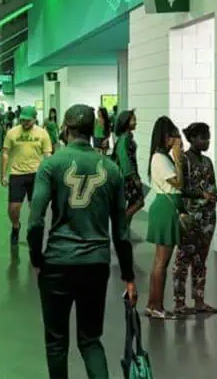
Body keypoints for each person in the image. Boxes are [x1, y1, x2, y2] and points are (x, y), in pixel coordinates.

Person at [28, 105, 137, 379]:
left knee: (56, 342)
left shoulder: (51, 165)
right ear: (92, 132)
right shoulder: (111, 169)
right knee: (90, 340)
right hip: (95, 264)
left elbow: (35, 221)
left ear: (65, 129)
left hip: (57, 263)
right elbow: (121, 231)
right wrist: (128, 275)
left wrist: (36, 258)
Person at [172, 122, 217, 315]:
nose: (207, 141)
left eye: (208, 137)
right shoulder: (183, 161)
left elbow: (212, 185)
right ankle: (179, 302)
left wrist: (214, 195)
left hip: (208, 217)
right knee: (183, 258)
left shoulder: (207, 162)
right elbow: (180, 188)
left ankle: (199, 300)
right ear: (192, 138)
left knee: (201, 259)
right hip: (190, 216)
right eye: (203, 138)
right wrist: (202, 195)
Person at [144, 116, 185, 319]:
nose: (177, 141)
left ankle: (153, 304)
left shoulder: (161, 156)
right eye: (174, 137)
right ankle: (156, 306)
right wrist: (178, 157)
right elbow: (178, 182)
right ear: (166, 137)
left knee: (159, 261)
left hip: (165, 208)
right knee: (162, 262)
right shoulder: (161, 158)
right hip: (165, 209)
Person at [1, 106, 54, 245]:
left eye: (28, 121)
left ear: (35, 119)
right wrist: (3, 174)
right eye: (22, 120)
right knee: (13, 208)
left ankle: (33, 231)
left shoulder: (42, 133)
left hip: (36, 174)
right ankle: (15, 226)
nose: (24, 123)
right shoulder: (12, 133)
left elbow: (48, 155)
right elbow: (5, 153)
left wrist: (50, 176)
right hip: (17, 173)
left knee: (34, 207)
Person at [111, 110, 145, 230]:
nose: (136, 122)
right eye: (133, 120)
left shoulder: (126, 137)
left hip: (127, 176)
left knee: (132, 202)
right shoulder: (125, 138)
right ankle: (121, 225)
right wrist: (134, 178)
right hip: (127, 177)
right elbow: (124, 159)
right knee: (139, 202)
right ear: (125, 122)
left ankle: (125, 230)